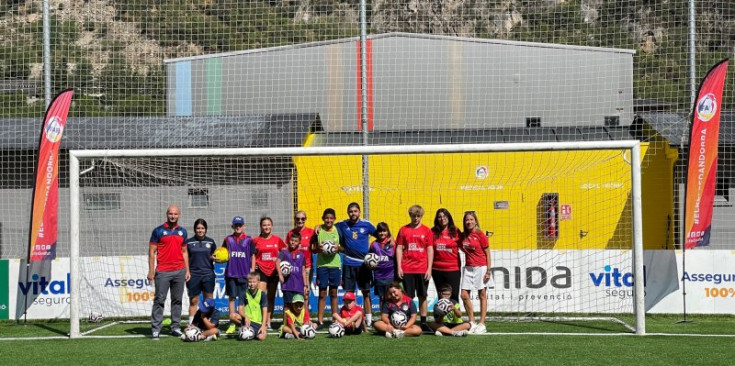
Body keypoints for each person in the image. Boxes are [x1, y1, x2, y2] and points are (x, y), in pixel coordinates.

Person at [148, 204, 190, 340]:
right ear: (167, 214)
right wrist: (151, 271)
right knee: (159, 300)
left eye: (175, 214)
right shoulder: (158, 231)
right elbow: (152, 252)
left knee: (177, 300)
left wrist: (187, 270)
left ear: (179, 215)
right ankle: (156, 329)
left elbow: (184, 252)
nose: (173, 216)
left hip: (179, 270)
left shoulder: (183, 231)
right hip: (163, 271)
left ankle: (175, 327)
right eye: (170, 214)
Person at [335, 202, 376, 326]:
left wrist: (389, 242)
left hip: (364, 265)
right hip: (348, 263)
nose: (353, 213)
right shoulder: (342, 224)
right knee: (349, 293)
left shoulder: (367, 225)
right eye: (351, 211)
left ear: (359, 212)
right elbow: (328, 226)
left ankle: (368, 319)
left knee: (366, 292)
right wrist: (318, 226)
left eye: (355, 211)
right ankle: (348, 318)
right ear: (348, 213)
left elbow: (381, 235)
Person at [396, 204, 434, 330]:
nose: (416, 218)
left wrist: (429, 268)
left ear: (421, 216)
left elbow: (429, 250)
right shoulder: (403, 230)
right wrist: (399, 267)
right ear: (410, 216)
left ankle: (423, 321)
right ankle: (408, 319)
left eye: (418, 216)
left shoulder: (427, 230)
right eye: (414, 216)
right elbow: (399, 248)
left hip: (422, 268)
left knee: (423, 295)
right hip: (407, 268)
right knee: (408, 297)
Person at [460, 211, 493, 334]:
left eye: (471, 219)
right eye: (467, 220)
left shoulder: (481, 235)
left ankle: (482, 323)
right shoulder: (463, 236)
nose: (469, 222)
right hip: (468, 268)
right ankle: (472, 321)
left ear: (475, 221)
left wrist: (488, 270)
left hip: (481, 267)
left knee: (482, 295)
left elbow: (488, 253)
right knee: (464, 295)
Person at [221, 215, 255, 335]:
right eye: (236, 225)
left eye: (240, 225)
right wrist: (218, 258)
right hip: (231, 273)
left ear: (244, 226)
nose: (238, 227)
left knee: (243, 299)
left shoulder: (249, 240)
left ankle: (243, 322)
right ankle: (231, 323)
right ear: (232, 226)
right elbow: (222, 254)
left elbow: (252, 255)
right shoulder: (227, 239)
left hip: (244, 274)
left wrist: (252, 271)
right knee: (231, 298)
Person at [252, 216, 286, 330]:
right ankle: (258, 321)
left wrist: (282, 264)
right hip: (261, 271)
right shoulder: (255, 240)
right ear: (261, 227)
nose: (266, 227)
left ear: (272, 226)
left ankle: (268, 323)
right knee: (260, 297)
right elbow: (250, 254)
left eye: (268, 225)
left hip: (274, 272)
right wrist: (253, 264)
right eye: (264, 225)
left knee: (271, 298)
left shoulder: (277, 240)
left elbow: (285, 252)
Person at [311, 208, 341, 328]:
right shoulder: (318, 231)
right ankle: (320, 320)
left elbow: (344, 247)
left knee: (334, 292)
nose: (328, 220)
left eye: (331, 218)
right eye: (326, 218)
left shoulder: (338, 230)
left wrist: (337, 248)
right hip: (322, 265)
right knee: (322, 293)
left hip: (335, 265)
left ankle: (335, 319)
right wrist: (318, 248)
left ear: (334, 219)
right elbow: (312, 249)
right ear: (323, 219)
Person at [184, 218, 217, 324]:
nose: (200, 230)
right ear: (194, 229)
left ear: (205, 229)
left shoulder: (211, 242)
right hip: (194, 275)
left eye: (202, 228)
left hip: (208, 274)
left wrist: (216, 258)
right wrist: (187, 271)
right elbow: (185, 258)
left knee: (209, 301)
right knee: (194, 301)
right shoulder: (189, 242)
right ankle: (191, 325)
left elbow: (214, 256)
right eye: (198, 228)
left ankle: (208, 323)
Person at [285, 210, 315, 310]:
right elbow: (287, 250)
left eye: (302, 219)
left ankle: (305, 318)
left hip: (306, 267)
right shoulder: (290, 233)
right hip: (293, 268)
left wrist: (318, 227)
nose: (300, 221)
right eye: (298, 218)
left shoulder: (311, 232)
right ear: (295, 220)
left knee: (305, 292)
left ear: (305, 219)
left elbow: (315, 248)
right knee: (292, 293)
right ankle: (293, 317)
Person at [431, 208, 461, 302]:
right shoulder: (432, 231)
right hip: (437, 269)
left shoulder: (456, 231)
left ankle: (456, 316)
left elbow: (466, 244)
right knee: (441, 295)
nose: (442, 218)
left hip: (453, 269)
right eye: (439, 217)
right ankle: (441, 316)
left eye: (444, 216)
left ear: (449, 217)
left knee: (454, 295)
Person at [276, 232, 308, 307]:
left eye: (296, 241)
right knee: (287, 305)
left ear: (299, 242)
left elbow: (303, 271)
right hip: (287, 285)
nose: (293, 242)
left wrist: (305, 285)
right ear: (288, 240)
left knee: (299, 306)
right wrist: (280, 275)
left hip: (299, 286)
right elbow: (277, 262)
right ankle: (285, 319)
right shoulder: (284, 252)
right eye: (292, 240)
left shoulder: (301, 255)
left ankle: (298, 319)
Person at [370, 222, 396, 309]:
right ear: (377, 233)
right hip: (379, 277)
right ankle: (383, 316)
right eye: (380, 231)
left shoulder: (393, 244)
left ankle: (392, 314)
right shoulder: (373, 245)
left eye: (384, 231)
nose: (382, 233)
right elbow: (369, 260)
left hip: (390, 276)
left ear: (388, 232)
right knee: (381, 298)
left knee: (391, 297)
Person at [243, 272, 268, 340]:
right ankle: (246, 331)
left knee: (261, 338)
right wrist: (245, 317)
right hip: (247, 321)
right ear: (247, 282)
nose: (252, 284)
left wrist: (263, 326)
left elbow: (265, 311)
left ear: (258, 282)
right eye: (250, 282)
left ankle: (251, 332)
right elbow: (240, 309)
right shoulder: (244, 293)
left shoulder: (262, 294)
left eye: (254, 282)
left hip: (258, 323)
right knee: (233, 316)